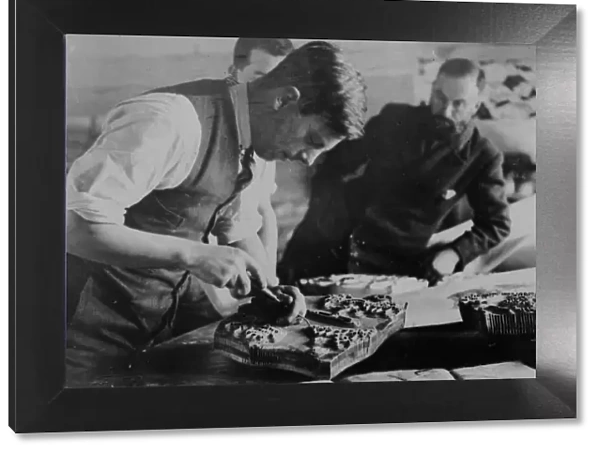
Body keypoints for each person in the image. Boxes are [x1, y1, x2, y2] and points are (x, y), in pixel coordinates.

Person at [65, 40, 367, 381]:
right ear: (284, 99)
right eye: (312, 140)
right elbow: (73, 228)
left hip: (158, 326)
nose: (308, 160)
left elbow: (235, 226)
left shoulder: (251, 139)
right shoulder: (169, 121)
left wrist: (269, 287)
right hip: (87, 335)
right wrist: (194, 255)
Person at [280, 58, 511, 286]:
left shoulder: (483, 156)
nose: (446, 111)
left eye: (458, 104)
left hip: (389, 263)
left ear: (476, 106)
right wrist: (322, 212)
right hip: (329, 240)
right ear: (432, 90)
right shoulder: (395, 119)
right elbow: (336, 162)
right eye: (440, 97)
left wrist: (455, 254)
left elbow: (496, 224)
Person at [226, 38, 295, 278]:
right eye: (259, 78)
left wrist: (272, 275)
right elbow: (231, 229)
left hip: (246, 260)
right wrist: (266, 284)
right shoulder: (222, 129)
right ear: (235, 73)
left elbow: (264, 208)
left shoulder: (266, 129)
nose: (269, 92)